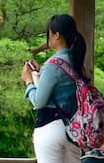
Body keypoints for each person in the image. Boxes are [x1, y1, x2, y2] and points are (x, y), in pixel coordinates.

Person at [21, 14, 87, 163]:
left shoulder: (53, 63)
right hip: (74, 130)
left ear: (57, 35)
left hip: (50, 127)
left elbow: (39, 101)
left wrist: (28, 82)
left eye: (49, 33)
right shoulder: (77, 62)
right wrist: (40, 75)